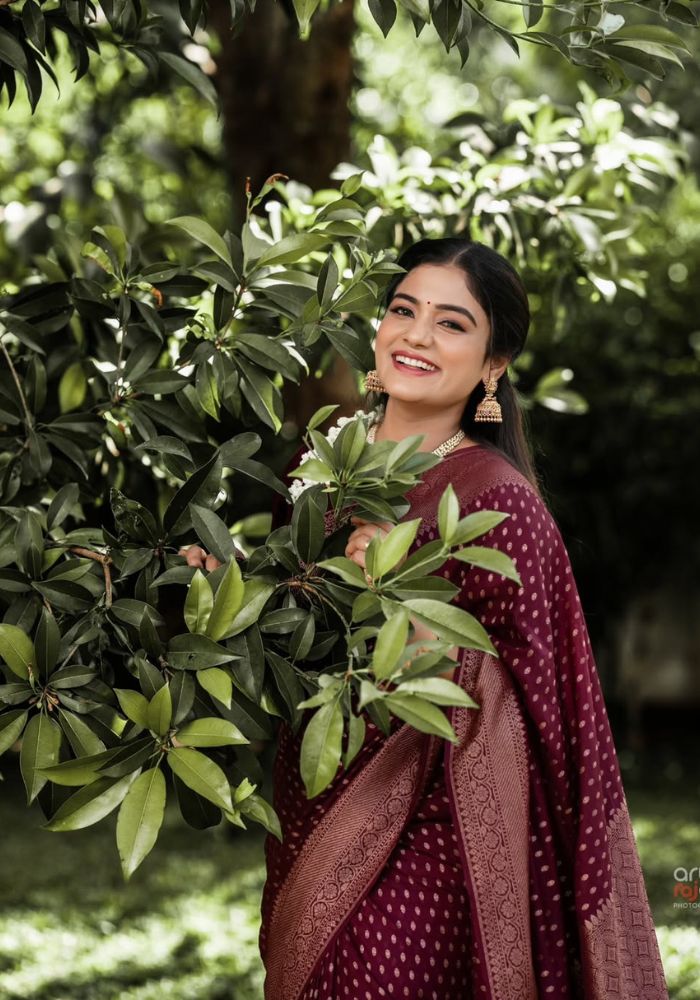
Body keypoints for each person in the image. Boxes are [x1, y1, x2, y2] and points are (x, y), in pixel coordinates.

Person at [185, 238, 668, 1000]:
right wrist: (222, 594)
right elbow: (283, 637)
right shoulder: (318, 469)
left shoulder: (494, 499)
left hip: (440, 836)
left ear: (492, 366)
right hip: (315, 799)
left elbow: (543, 701)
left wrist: (409, 626)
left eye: (451, 323)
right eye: (403, 310)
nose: (415, 335)